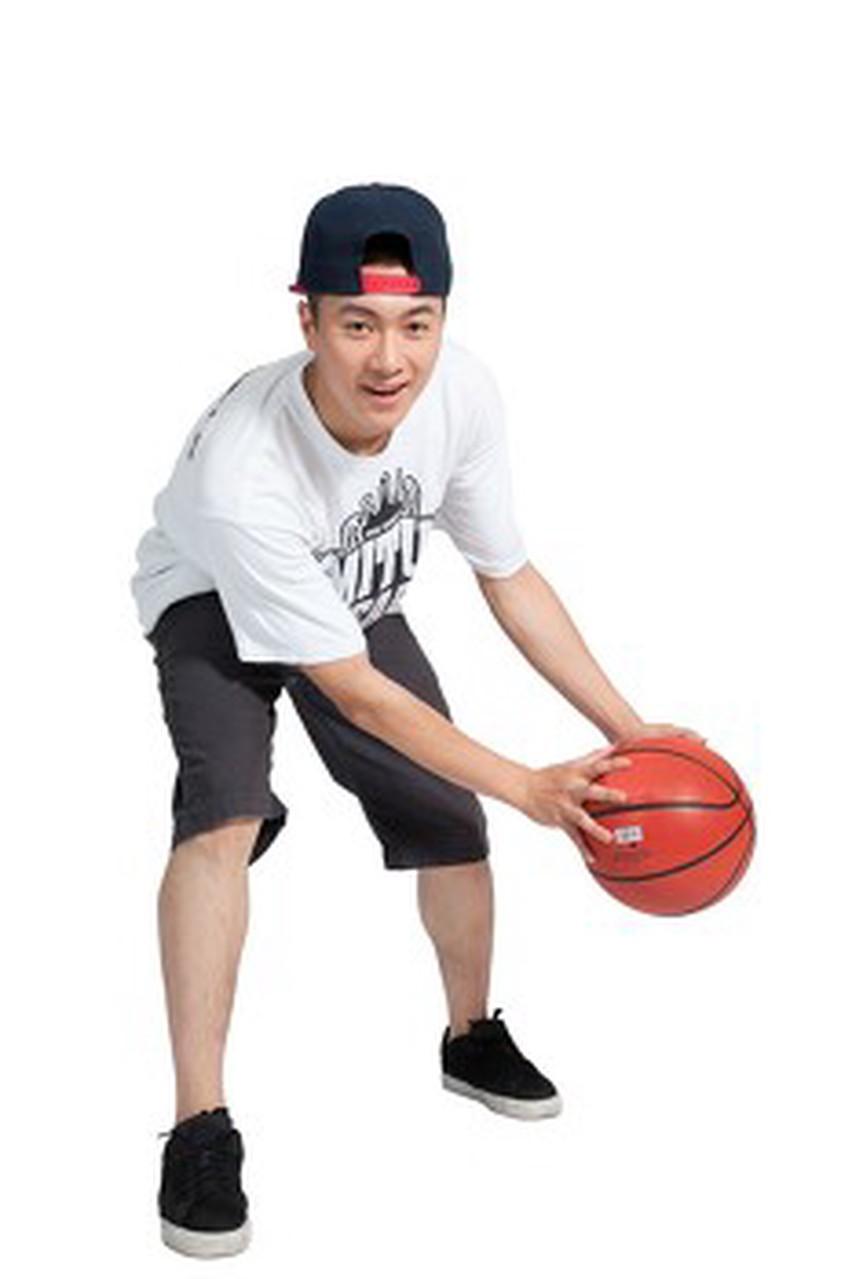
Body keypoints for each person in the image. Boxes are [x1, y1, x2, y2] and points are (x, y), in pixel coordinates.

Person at [130, 181, 706, 1258]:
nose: (390, 359)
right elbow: (353, 689)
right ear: (307, 321)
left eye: (416, 323)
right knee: (224, 815)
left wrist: (635, 733)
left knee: (450, 814)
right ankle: (199, 1124)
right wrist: (528, 783)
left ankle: (468, 1036)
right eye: (358, 325)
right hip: (210, 595)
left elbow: (509, 575)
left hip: (342, 597)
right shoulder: (246, 472)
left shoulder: (461, 398)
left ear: (444, 317)